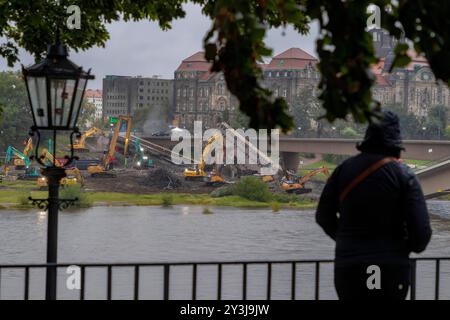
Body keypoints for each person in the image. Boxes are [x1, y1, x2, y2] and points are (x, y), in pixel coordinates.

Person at [316, 110, 432, 300]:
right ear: (395, 142)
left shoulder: (343, 170)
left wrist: (347, 241)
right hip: (389, 268)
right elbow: (421, 234)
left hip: (349, 267)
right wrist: (400, 248)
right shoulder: (404, 175)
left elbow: (323, 215)